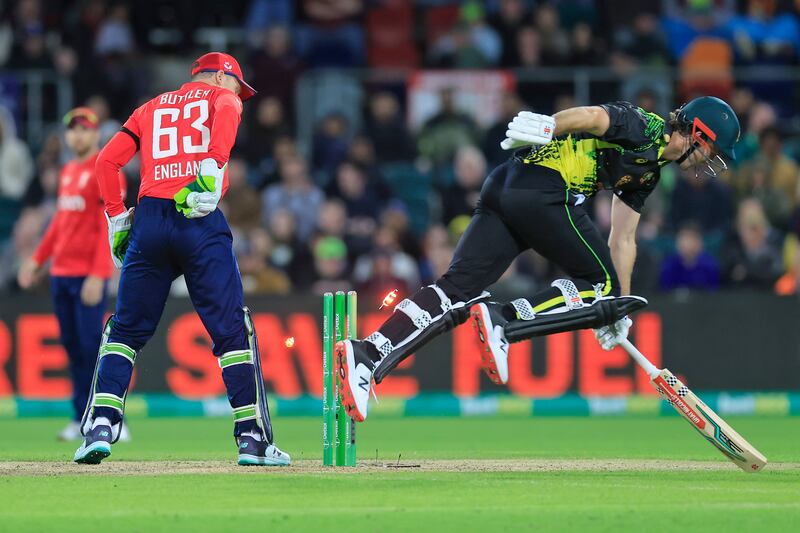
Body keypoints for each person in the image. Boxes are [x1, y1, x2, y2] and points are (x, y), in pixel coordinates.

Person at [337, 96, 741, 422]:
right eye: (710, 149)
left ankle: (368, 354)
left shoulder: (649, 173)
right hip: (543, 189)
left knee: (456, 290)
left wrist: (619, 309)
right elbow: (592, 116)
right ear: (696, 131)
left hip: (506, 186)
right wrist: (551, 124)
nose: (709, 160)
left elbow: (624, 237)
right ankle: (504, 320)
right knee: (598, 283)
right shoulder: (647, 126)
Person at [73, 53, 290, 466]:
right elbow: (228, 106)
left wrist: (118, 217)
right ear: (219, 76)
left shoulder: (148, 108)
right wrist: (211, 167)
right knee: (232, 332)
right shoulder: (222, 98)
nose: (237, 95)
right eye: (236, 85)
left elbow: (106, 162)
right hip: (198, 218)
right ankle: (252, 439)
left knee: (124, 331)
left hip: (150, 219)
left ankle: (100, 426)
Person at [17, 107, 128, 441]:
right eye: (72, 129)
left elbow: (107, 226)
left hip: (86, 275)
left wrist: (99, 274)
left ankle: (108, 418)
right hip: (61, 274)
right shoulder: (67, 171)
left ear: (96, 134)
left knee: (91, 346)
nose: (77, 135)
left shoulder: (106, 171)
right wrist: (37, 260)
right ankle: (81, 416)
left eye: (84, 129)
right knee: (72, 347)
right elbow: (59, 224)